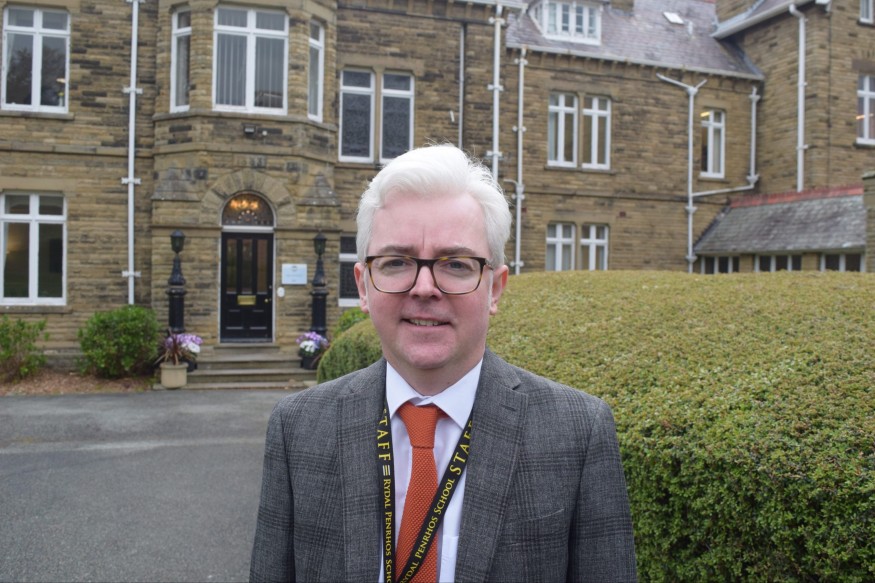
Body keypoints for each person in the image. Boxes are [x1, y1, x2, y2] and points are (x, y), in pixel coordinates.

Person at [250, 144, 637, 582]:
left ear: (494, 289)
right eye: (396, 262)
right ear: (363, 285)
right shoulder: (297, 428)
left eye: (455, 264)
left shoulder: (578, 432)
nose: (424, 287)